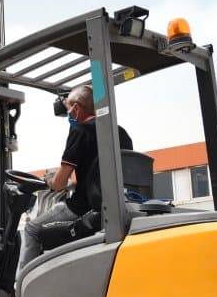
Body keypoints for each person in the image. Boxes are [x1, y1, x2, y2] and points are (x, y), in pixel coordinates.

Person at [21, 85, 133, 268]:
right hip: (114, 204)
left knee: (31, 229)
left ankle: (20, 289)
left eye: (68, 110)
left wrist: (48, 180)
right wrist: (70, 185)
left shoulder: (80, 131)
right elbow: (96, 176)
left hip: (81, 208)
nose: (69, 116)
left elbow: (58, 183)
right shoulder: (120, 132)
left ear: (77, 108)